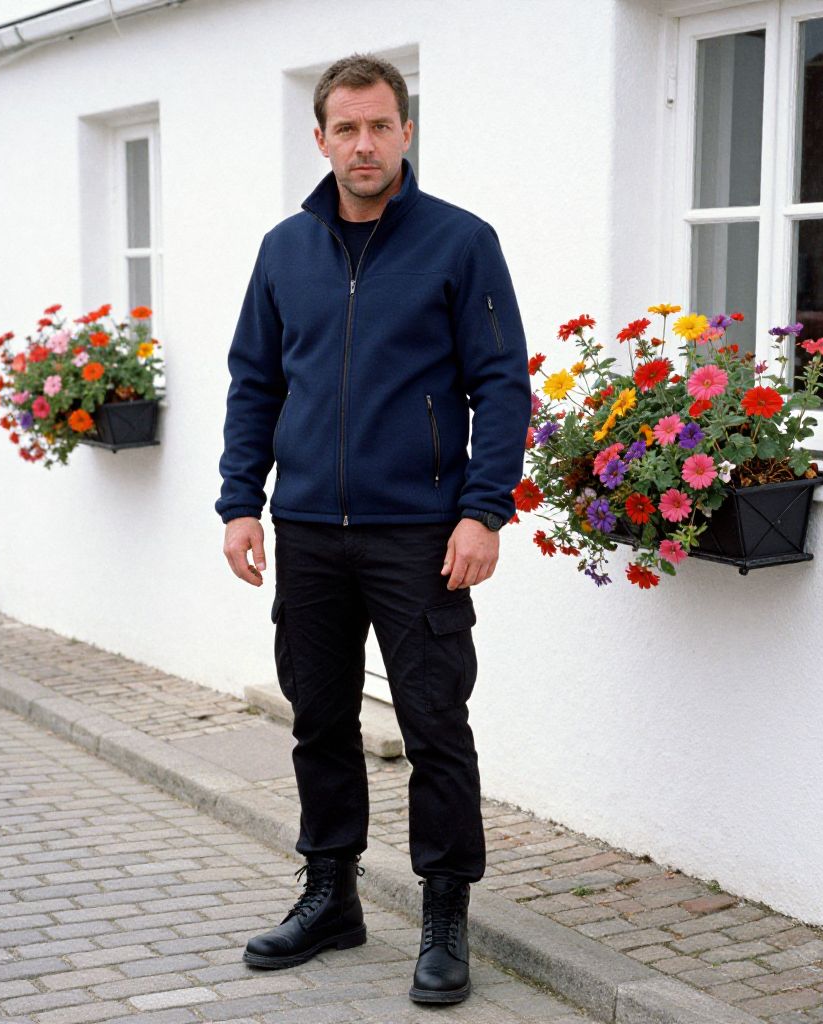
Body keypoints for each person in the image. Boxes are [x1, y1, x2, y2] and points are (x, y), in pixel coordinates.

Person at [215, 53, 530, 1005]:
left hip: (419, 533)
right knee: (319, 718)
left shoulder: (460, 242)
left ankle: (445, 913)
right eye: (346, 128)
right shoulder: (284, 250)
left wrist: (483, 510)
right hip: (309, 528)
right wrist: (240, 501)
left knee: (435, 723)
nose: (364, 144)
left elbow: (501, 384)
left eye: (380, 126)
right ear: (321, 139)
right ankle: (330, 896)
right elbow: (255, 383)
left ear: (406, 132)